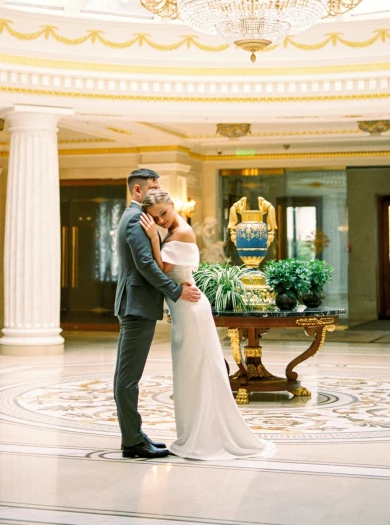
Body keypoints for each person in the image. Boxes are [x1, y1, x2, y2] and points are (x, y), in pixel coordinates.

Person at [140, 188, 276, 461]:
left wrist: (154, 239)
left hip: (191, 311)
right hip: (184, 309)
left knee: (198, 371)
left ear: (172, 205)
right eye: (155, 218)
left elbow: (159, 270)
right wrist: (157, 234)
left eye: (163, 214)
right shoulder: (172, 231)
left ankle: (203, 437)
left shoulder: (181, 233)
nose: (161, 221)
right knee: (190, 373)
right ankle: (193, 433)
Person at [114, 168, 202, 460]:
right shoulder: (135, 220)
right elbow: (146, 266)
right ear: (137, 191)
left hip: (137, 304)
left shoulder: (140, 218)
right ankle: (132, 442)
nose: (156, 192)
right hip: (136, 305)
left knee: (128, 376)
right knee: (128, 378)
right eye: (152, 187)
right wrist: (175, 292)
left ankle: (135, 435)